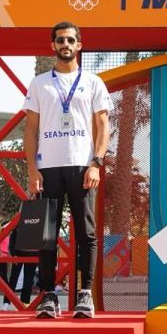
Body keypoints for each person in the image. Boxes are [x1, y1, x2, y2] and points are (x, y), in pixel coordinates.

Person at [23, 21, 111, 318]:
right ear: (53, 45)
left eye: (71, 40)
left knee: (87, 233)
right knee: (46, 235)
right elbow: (30, 129)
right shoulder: (39, 83)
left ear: (79, 45)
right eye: (60, 40)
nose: (65, 44)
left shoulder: (93, 82)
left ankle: (85, 295)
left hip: (83, 166)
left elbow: (103, 125)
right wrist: (32, 170)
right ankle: (49, 295)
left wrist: (96, 163)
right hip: (47, 167)